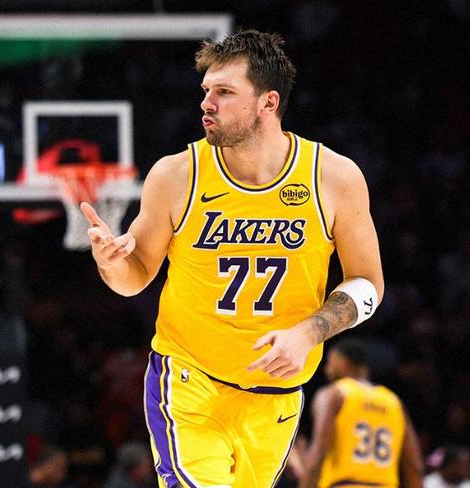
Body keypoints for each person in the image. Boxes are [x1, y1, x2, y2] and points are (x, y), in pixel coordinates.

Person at [81, 29, 383, 487]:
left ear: (268, 102)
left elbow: (367, 286)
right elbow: (134, 277)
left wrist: (309, 332)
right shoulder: (177, 175)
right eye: (206, 91)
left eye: (224, 92)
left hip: (276, 395)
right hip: (190, 382)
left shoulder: (333, 178)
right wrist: (110, 262)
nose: (207, 103)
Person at [289, 339, 423, 488]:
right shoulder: (394, 402)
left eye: (330, 362)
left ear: (343, 361)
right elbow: (414, 467)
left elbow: (319, 450)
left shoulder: (335, 394)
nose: (326, 369)